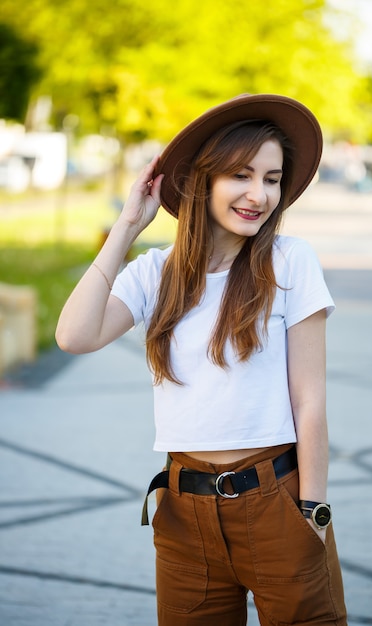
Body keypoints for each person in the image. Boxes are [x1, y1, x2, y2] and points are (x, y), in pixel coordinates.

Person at [56, 94, 347, 625]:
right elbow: (75, 336)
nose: (259, 194)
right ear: (203, 179)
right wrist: (125, 227)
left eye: (272, 178)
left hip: (277, 500)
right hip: (183, 511)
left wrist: (314, 510)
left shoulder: (290, 261)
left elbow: (310, 401)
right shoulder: (155, 273)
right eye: (242, 174)